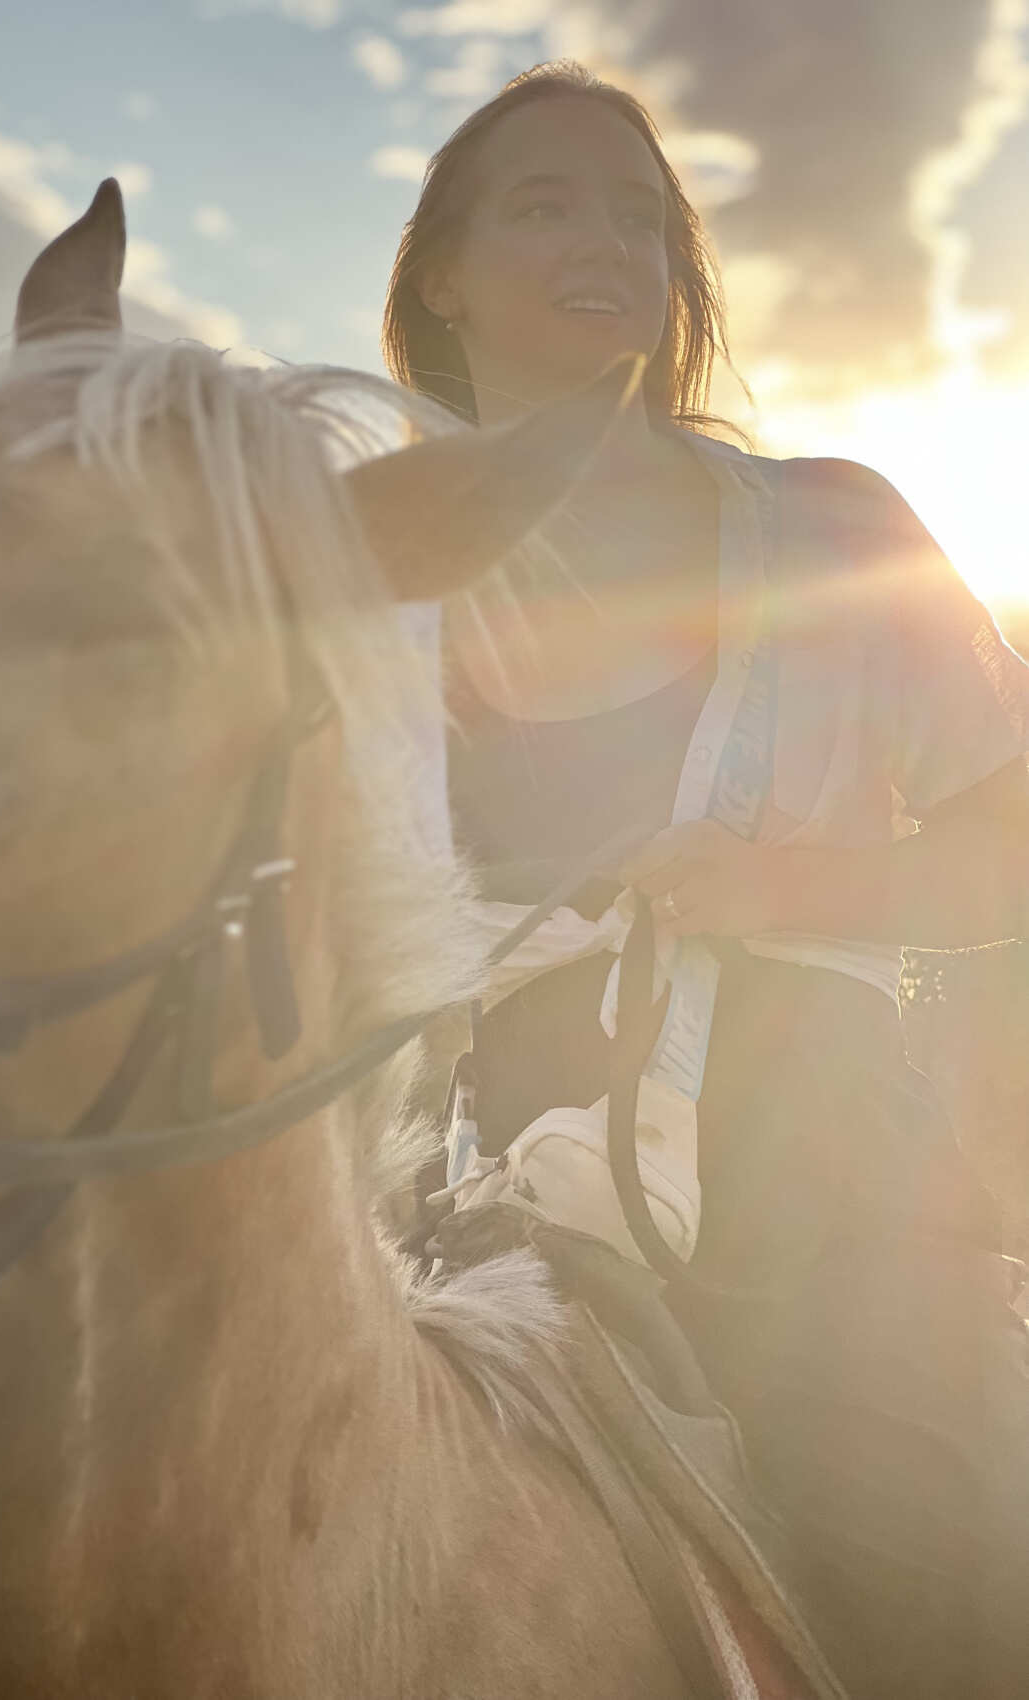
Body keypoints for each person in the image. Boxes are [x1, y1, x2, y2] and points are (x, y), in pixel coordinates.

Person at [381, 60, 1029, 1700]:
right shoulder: (369, 587)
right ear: (439, 273)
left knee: (920, 1600)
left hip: (828, 1204)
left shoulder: (831, 529)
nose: (605, 239)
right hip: (475, 1224)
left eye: (639, 215)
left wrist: (793, 879)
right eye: (543, 201)